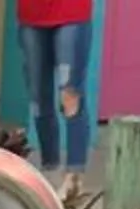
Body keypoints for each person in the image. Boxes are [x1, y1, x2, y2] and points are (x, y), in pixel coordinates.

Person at [16, 0, 92, 183]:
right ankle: (49, 168)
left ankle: (74, 176)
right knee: (38, 98)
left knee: (70, 94)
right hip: (31, 15)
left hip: (71, 12)